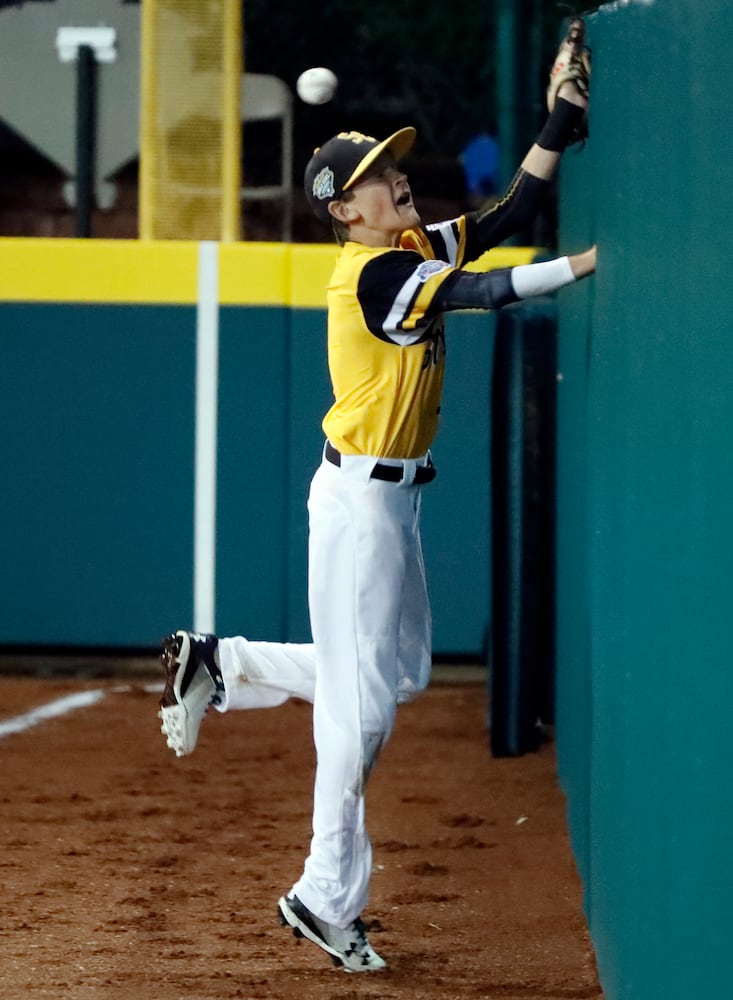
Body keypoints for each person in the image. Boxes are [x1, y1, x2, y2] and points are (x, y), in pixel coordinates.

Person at [157, 21, 594, 974]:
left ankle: (223, 664)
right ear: (339, 209)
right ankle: (323, 891)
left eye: (393, 167)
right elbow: (479, 293)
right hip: (359, 504)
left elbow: (507, 211)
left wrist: (557, 121)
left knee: (396, 678)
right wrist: (584, 268)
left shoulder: (404, 242)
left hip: (384, 503)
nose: (395, 178)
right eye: (373, 178)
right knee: (357, 711)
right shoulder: (375, 272)